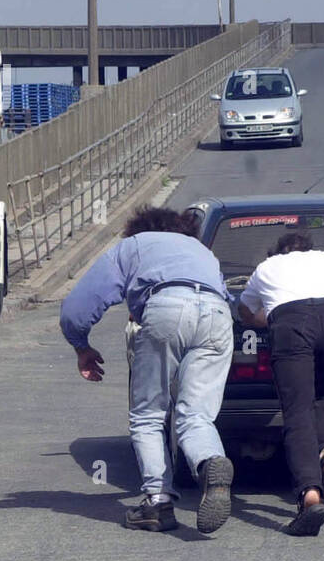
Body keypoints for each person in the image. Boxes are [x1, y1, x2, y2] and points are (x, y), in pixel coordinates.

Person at [59, 206, 235, 535]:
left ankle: (157, 502)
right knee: (196, 414)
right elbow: (227, 297)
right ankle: (210, 463)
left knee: (148, 414)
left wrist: (80, 345)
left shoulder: (135, 245)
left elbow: (78, 306)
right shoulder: (202, 252)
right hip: (217, 314)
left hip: (168, 308)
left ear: (138, 228)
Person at [238, 232, 324, 536]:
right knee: (323, 393)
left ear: (277, 251)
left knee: (298, 412)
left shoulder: (266, 268)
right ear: (309, 249)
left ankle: (310, 496)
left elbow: (246, 312)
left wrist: (271, 321)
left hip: (293, 326)